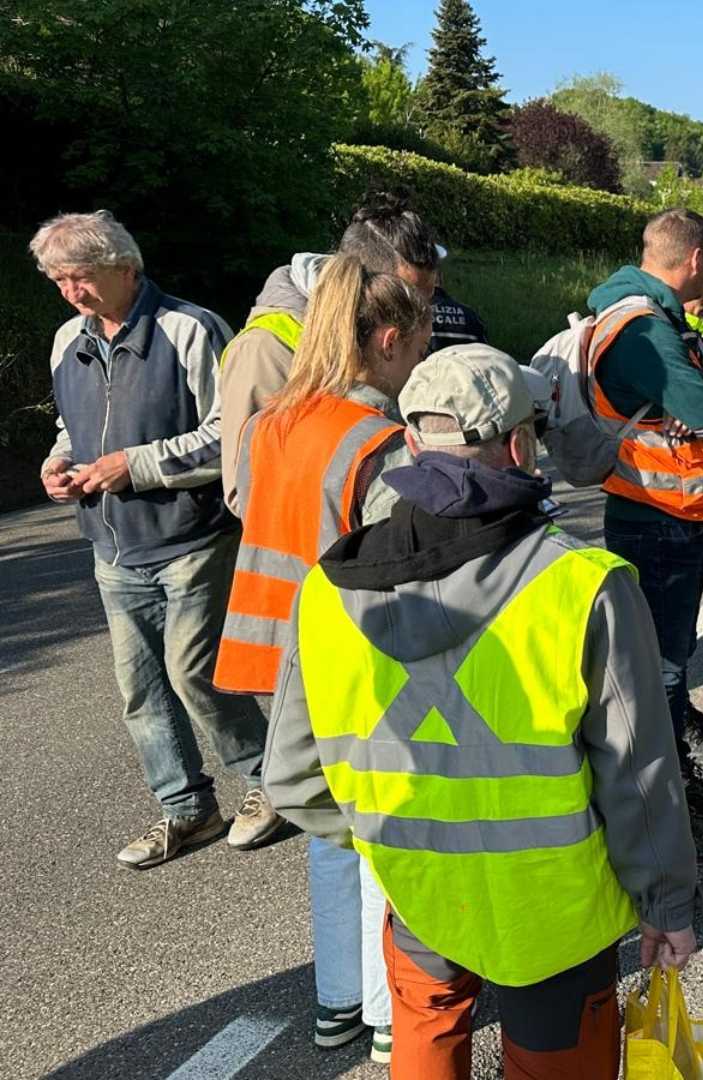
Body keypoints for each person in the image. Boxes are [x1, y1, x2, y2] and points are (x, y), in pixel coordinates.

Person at [262, 345, 699, 1080]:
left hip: (422, 895)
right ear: (522, 445)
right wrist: (666, 904)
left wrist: (395, 841)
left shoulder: (327, 590)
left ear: (409, 442)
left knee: (425, 1047)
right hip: (556, 913)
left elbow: (293, 780)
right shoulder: (580, 583)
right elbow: (640, 776)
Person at [218, 253, 431, 1060]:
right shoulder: (377, 440)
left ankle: (336, 1000)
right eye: (413, 348)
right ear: (384, 340)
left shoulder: (275, 420)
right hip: (344, 663)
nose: (416, 364)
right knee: (380, 830)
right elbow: (394, 568)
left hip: (273, 655)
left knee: (327, 831)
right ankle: (387, 1016)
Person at [32, 211, 280, 869]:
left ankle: (269, 784)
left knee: (195, 672)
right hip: (112, 546)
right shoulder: (66, 340)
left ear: (126, 267)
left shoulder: (190, 329)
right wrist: (59, 463)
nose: (70, 293)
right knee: (139, 690)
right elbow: (71, 424)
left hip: (192, 537)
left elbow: (233, 433)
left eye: (79, 277)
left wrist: (133, 464)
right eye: (58, 280)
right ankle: (187, 811)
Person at [587, 208, 703, 866]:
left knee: (667, 660)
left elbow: (701, 404)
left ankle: (675, 785)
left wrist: (701, 399)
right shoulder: (645, 329)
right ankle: (664, 815)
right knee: (661, 669)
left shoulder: (639, 314)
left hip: (667, 515)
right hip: (656, 516)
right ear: (697, 260)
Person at [219, 197, 442, 513]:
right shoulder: (265, 348)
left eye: (430, 295)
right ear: (365, 283)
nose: (423, 310)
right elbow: (245, 491)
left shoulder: (396, 331)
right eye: (409, 296)